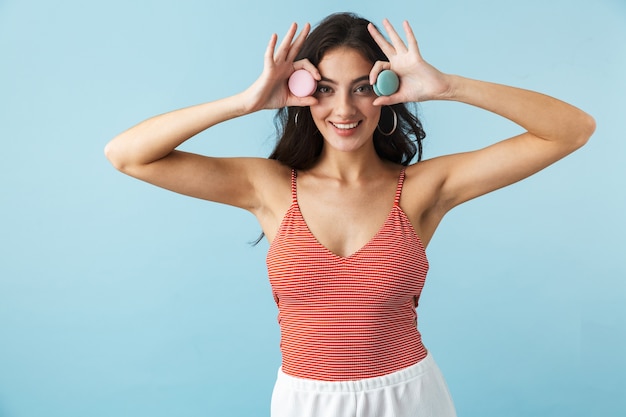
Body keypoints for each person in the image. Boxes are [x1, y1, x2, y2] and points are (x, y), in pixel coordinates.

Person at [104, 12, 595, 417]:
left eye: (362, 87)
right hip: (305, 401)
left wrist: (448, 86)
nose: (344, 109)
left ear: (387, 90)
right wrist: (246, 101)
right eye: (326, 89)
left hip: (408, 399)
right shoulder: (269, 188)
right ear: (303, 92)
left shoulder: (422, 190)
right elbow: (127, 154)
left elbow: (571, 130)